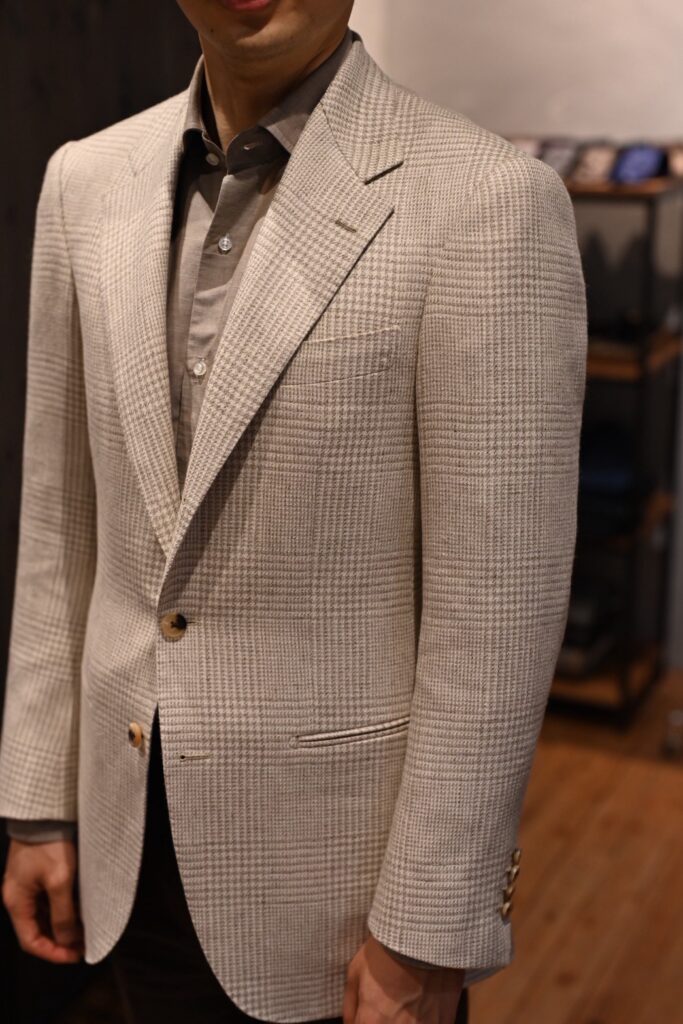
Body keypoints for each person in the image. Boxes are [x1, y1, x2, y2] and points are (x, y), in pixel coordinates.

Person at [0, 1, 587, 1022]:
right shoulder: (86, 181)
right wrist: (38, 799)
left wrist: (428, 923)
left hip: (341, 896)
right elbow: (59, 524)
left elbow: (495, 610)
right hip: (123, 842)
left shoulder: (486, 200)